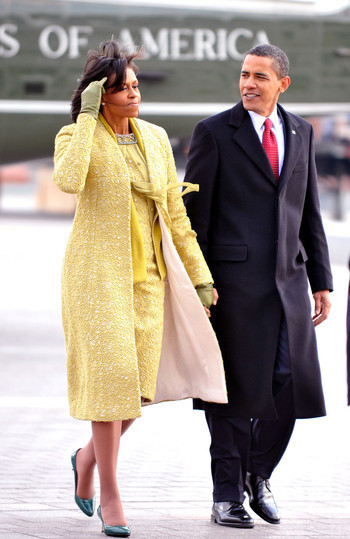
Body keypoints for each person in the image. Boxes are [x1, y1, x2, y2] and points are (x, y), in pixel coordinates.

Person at [53, 39, 227, 537]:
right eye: (121, 88)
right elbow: (68, 180)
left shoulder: (153, 138)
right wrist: (87, 120)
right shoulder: (75, 136)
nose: (134, 94)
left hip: (149, 280)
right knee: (110, 389)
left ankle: (86, 459)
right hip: (95, 279)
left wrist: (200, 276)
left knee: (134, 396)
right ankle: (111, 494)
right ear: (98, 96)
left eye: (135, 86)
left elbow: (175, 215)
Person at [184, 44, 333, 529]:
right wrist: (199, 285)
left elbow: (307, 209)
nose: (249, 83)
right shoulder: (213, 133)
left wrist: (322, 282)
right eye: (245, 75)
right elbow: (194, 221)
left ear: (282, 84)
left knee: (292, 387)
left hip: (289, 285)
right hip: (230, 288)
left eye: (260, 77)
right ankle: (226, 495)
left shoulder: (301, 131)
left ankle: (258, 473)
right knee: (229, 395)